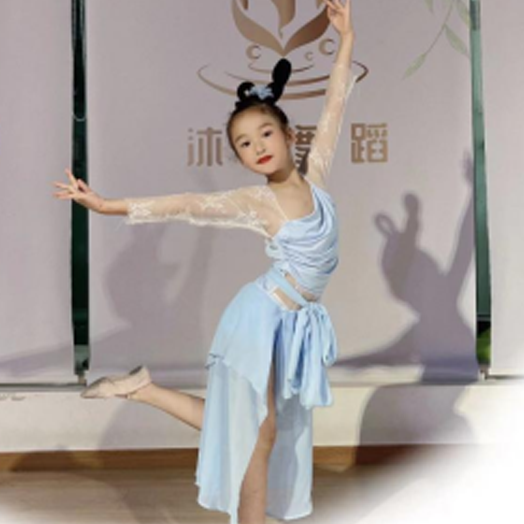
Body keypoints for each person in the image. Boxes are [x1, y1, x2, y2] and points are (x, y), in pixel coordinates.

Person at [53, 1, 356, 522]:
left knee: (257, 429)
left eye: (265, 134)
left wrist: (346, 37)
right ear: (239, 158)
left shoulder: (318, 178)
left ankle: (143, 388)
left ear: (289, 135)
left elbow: (335, 103)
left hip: (293, 326)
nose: (257, 147)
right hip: (260, 319)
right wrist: (105, 206)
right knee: (257, 435)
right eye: (244, 143)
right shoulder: (257, 201)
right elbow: (187, 204)